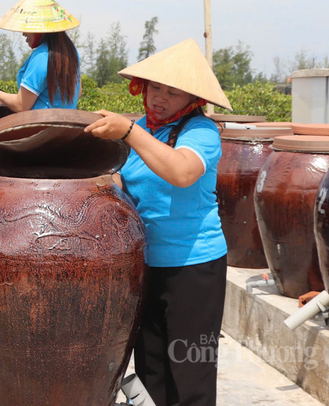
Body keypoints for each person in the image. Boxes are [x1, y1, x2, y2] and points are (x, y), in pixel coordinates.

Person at [85, 39, 231, 406]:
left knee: (190, 372)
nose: (159, 98)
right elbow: (121, 184)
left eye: (173, 92)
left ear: (193, 100)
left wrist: (131, 134)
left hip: (193, 268)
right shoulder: (139, 130)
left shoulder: (201, 132)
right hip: (145, 265)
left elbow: (181, 172)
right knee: (151, 369)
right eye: (155, 88)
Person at [0, 0, 81, 112]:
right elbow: (78, 93)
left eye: (27, 27)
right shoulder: (71, 52)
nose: (23, 33)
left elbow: (21, 105)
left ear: (40, 29)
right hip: (67, 123)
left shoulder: (42, 57)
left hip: (40, 125)